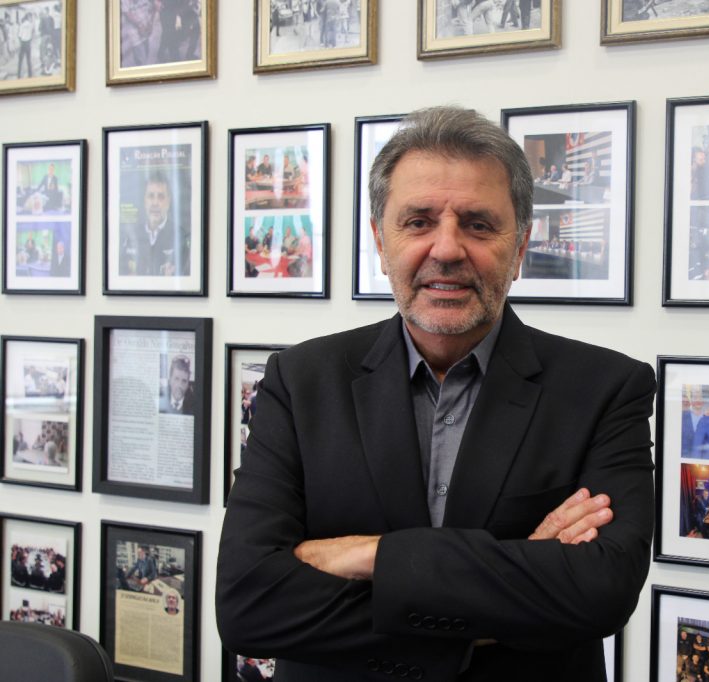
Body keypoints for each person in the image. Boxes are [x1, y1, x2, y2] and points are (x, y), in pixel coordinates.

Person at [216, 106, 656, 680]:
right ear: (381, 242)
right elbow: (249, 602)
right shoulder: (299, 382)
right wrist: (514, 583)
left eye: (478, 225)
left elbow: (600, 592)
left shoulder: (605, 390)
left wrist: (364, 555)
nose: (446, 249)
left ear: (521, 246)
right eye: (419, 221)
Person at [120, 172, 190, 276]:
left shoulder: (180, 237)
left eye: (161, 197)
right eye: (151, 196)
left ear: (168, 202)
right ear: (144, 200)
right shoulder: (131, 236)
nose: (155, 203)